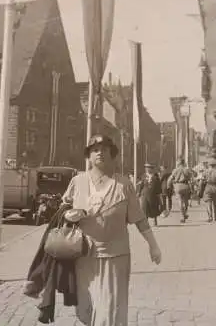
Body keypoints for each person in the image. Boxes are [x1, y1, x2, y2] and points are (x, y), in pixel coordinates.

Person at [62, 134, 162, 326]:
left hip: (115, 256)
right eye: (95, 150)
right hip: (83, 255)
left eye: (105, 149)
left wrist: (153, 246)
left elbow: (139, 219)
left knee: (110, 312)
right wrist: (68, 215)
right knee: (85, 310)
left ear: (112, 155)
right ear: (89, 156)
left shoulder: (124, 185)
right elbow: (61, 211)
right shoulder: (78, 182)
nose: (100, 153)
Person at [167, 158, 192, 223]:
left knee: (180, 202)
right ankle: (185, 213)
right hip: (186, 186)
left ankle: (182, 216)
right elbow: (191, 179)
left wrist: (168, 186)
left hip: (178, 186)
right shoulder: (187, 170)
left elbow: (170, 179)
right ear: (183, 163)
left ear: (179, 163)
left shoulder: (175, 170)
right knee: (186, 202)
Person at [202, 158, 216, 222]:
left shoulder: (205, 171)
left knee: (208, 202)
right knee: (215, 203)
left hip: (207, 188)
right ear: (214, 165)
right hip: (215, 188)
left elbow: (202, 180)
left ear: (209, 164)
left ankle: (210, 217)